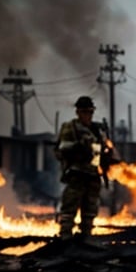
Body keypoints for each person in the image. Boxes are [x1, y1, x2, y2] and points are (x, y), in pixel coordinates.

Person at [54, 95, 114, 240]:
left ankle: (86, 237)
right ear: (78, 112)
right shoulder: (71, 127)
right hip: (77, 174)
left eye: (90, 112)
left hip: (93, 175)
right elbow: (62, 148)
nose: (87, 115)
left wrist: (107, 156)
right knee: (69, 208)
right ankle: (65, 238)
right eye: (84, 112)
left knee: (90, 210)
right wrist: (79, 147)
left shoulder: (97, 130)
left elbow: (105, 150)